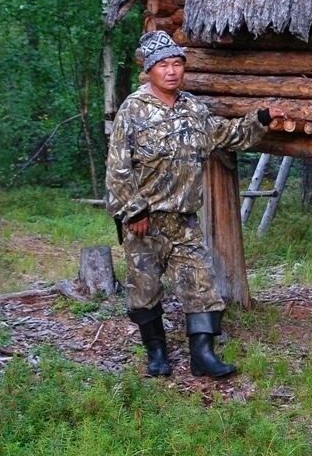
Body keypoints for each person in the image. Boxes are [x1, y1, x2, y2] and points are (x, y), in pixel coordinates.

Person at [106, 30, 284, 378]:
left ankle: (202, 356)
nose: (171, 71)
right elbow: (117, 166)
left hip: (183, 220)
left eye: (177, 64)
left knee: (201, 284)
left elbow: (225, 134)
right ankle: (156, 352)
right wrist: (133, 210)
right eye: (163, 65)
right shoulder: (133, 110)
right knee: (144, 288)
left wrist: (259, 119)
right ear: (149, 70)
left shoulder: (192, 108)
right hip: (146, 220)